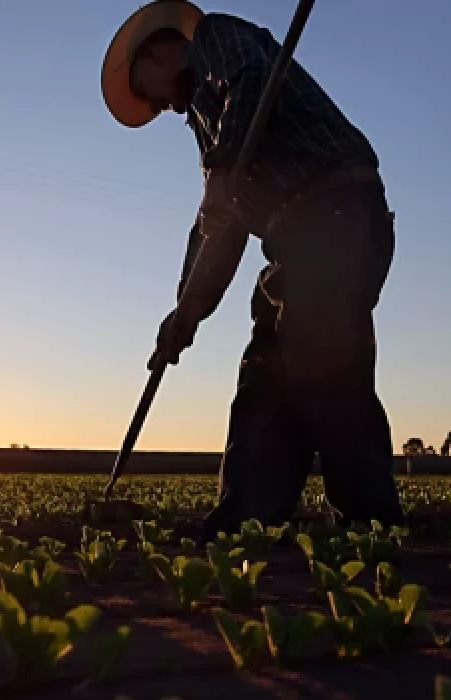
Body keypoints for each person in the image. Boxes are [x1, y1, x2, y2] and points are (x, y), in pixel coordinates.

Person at [100, 0, 406, 536]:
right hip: (292, 239)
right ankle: (246, 519)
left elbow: (254, 77)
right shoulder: (205, 123)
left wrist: (221, 172)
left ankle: (371, 521)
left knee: (321, 350)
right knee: (265, 370)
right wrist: (186, 312)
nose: (161, 108)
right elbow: (220, 224)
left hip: (340, 208)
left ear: (156, 51)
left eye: (148, 91)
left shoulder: (219, 40)